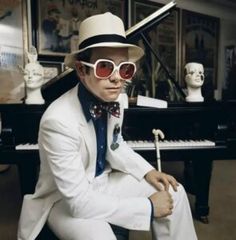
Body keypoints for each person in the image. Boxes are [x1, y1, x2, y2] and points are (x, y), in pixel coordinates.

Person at [17, 12, 197, 240]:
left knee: (175, 193)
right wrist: (148, 207)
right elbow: (78, 202)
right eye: (105, 67)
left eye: (125, 69)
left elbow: (116, 144)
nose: (117, 79)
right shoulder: (57, 121)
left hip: (104, 181)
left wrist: (148, 171)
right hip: (62, 201)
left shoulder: (117, 100)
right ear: (82, 70)